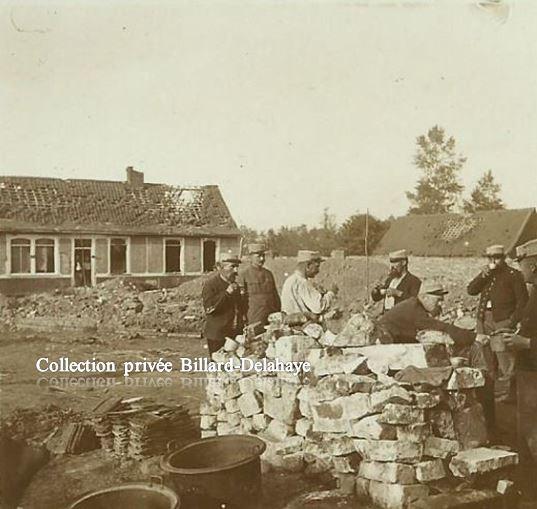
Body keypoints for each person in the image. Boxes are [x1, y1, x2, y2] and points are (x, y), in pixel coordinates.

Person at [378, 281, 496, 435]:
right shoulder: (413, 309)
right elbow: (439, 327)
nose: (440, 303)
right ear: (425, 297)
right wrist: (474, 337)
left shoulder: (414, 306)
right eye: (437, 299)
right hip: (387, 353)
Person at [467, 244, 529, 400]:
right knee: (486, 359)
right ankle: (490, 393)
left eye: (496, 257)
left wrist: (511, 322)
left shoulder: (513, 275)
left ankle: (512, 395)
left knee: (506, 360)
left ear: (504, 258)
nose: (493, 260)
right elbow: (471, 290)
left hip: (502, 321)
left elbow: (522, 303)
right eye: (489, 257)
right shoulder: (487, 274)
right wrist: (483, 274)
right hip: (483, 320)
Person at [503, 239, 537, 466]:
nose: (519, 269)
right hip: (528, 370)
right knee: (525, 428)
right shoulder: (534, 290)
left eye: (522, 264)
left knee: (531, 430)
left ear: (533, 266)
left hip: (533, 370)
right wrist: (516, 331)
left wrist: (524, 342)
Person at [201, 251, 244, 354]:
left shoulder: (235, 285)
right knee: (219, 365)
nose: (236, 271)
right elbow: (210, 308)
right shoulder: (210, 285)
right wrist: (227, 294)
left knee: (233, 365)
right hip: (217, 334)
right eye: (232, 267)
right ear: (220, 268)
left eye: (237, 267)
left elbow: (238, 308)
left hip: (233, 333)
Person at [281, 250, 338, 322]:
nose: (318, 271)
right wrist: (331, 293)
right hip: (303, 326)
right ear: (308, 266)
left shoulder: (290, 280)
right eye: (316, 267)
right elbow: (318, 307)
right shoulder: (303, 283)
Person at [237, 243, 280, 334]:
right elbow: (240, 300)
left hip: (270, 317)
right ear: (250, 257)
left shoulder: (268, 274)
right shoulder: (244, 274)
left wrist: (278, 312)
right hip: (254, 317)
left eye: (263, 256)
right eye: (258, 256)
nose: (262, 259)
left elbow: (275, 295)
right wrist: (243, 318)